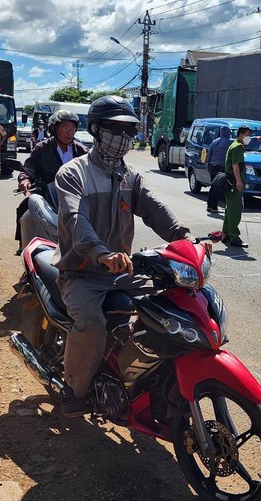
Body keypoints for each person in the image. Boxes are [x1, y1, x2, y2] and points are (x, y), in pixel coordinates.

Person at [53, 96, 194, 416]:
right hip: (83, 272)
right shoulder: (73, 173)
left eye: (129, 130)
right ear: (95, 131)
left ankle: (145, 378)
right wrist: (101, 254)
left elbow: (155, 209)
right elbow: (77, 221)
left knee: (170, 305)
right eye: (114, 129)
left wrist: (183, 237)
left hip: (121, 270)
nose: (123, 137)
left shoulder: (130, 177)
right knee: (91, 323)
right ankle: (74, 389)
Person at [15, 110, 88, 251]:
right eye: (65, 128)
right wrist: (24, 179)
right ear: (54, 128)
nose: (70, 133)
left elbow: (92, 172)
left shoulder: (82, 151)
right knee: (25, 214)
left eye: (73, 129)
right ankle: (24, 249)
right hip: (48, 196)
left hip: (76, 198)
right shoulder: (41, 148)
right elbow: (29, 168)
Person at [222, 126, 251, 247]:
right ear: (241, 135)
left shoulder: (234, 144)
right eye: (248, 135)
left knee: (229, 209)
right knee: (235, 210)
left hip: (229, 181)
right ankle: (234, 237)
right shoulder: (238, 147)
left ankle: (226, 234)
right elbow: (235, 166)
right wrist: (239, 181)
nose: (249, 138)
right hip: (234, 182)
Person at [205, 126, 232, 213]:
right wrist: (255, 138)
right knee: (217, 187)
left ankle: (209, 206)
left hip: (212, 166)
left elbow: (209, 154)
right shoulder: (229, 142)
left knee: (213, 186)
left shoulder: (214, 141)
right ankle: (214, 207)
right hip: (220, 167)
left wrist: (208, 165)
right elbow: (240, 141)